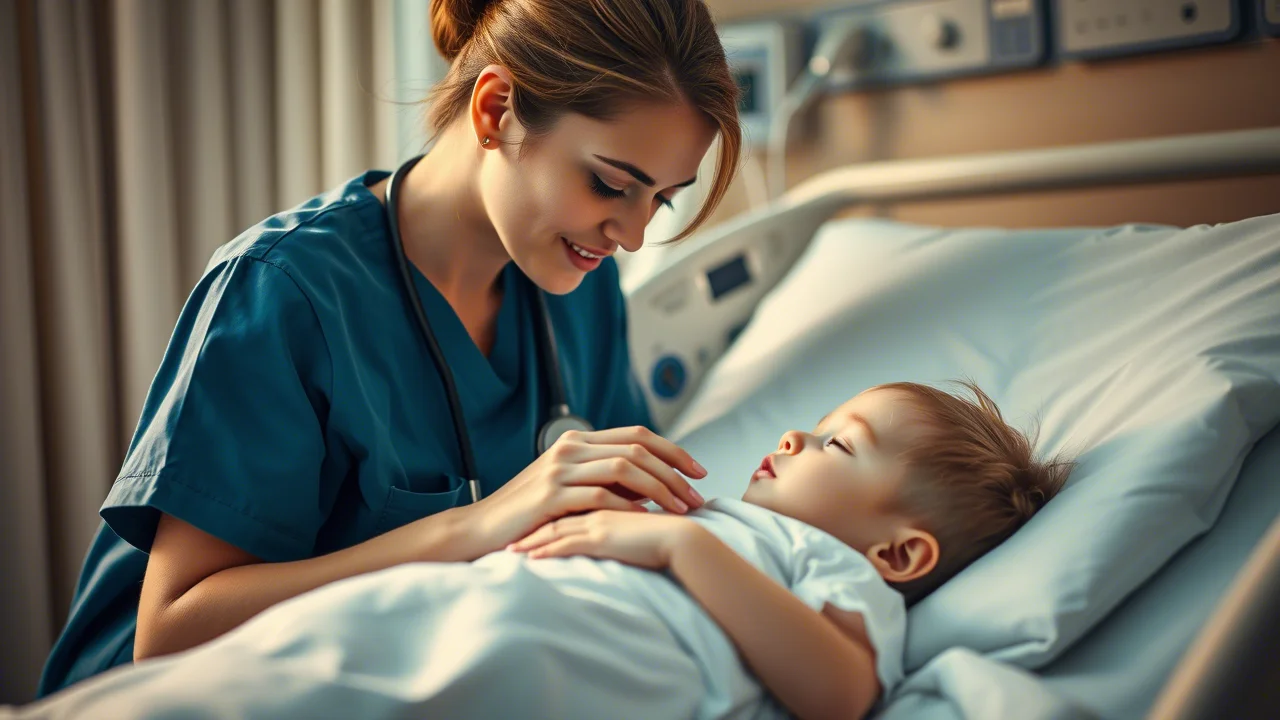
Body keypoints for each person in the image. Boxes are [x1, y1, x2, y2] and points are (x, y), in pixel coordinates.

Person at [38, 0, 742, 696]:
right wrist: (476, 526)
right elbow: (170, 631)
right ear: (496, 110)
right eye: (611, 184)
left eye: (663, 200)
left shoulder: (583, 295)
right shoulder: (285, 292)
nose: (632, 234)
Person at [19, 381, 1072, 720]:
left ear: (899, 553)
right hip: (457, 601)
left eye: (837, 444)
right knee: (277, 671)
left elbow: (838, 693)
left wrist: (673, 555)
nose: (792, 437)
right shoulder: (707, 510)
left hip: (538, 656)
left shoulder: (829, 572)